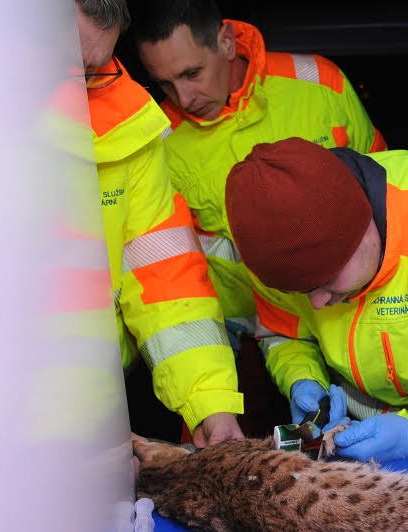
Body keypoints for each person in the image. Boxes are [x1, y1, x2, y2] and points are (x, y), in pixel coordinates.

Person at [225, 137, 408, 462]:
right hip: (353, 425)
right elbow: (282, 333)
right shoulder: (269, 247)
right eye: (302, 293)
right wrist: (302, 378)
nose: (317, 303)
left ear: (361, 226)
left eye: (327, 280)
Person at [125, 0, 387, 345]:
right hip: (245, 338)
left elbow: (386, 192)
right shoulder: (158, 140)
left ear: (226, 42)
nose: (184, 98)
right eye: (165, 84)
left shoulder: (321, 83)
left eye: (192, 73)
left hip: (349, 314)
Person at [74, 0, 244, 446]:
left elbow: (166, 281)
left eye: (98, 68)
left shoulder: (127, 128)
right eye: (73, 68)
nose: (86, 89)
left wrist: (210, 401)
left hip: (93, 416)